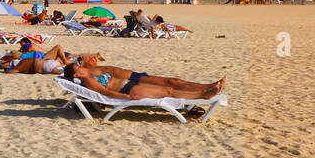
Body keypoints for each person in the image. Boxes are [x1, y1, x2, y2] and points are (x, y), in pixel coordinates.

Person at [62, 61, 223, 99]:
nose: (81, 66)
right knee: (168, 91)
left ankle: (206, 87)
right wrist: (127, 98)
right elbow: (106, 93)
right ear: (76, 75)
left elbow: (103, 67)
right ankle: (203, 95)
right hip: (127, 89)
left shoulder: (90, 71)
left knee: (173, 82)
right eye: (78, 68)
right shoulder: (88, 81)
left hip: (133, 80)